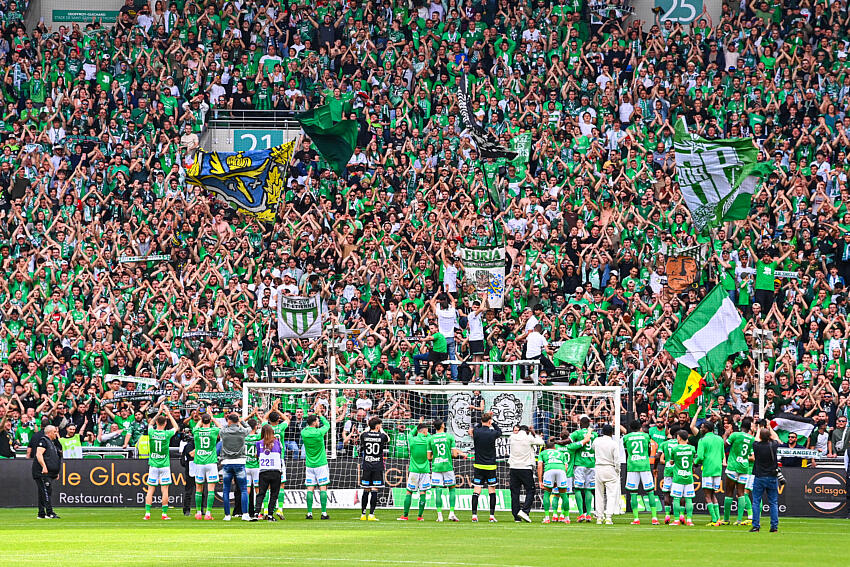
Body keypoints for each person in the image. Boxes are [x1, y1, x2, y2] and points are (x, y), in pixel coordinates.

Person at [540, 431, 591, 524]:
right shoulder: (571, 447)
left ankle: (554, 515)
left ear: (560, 436)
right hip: (568, 473)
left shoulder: (556, 447)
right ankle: (563, 515)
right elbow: (584, 442)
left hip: (554, 470)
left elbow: (549, 445)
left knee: (555, 495)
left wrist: (553, 440)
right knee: (565, 495)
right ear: (569, 437)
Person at [428, 418, 467, 522]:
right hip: (447, 466)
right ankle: (451, 513)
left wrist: (437, 457)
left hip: (436, 466)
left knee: (438, 490)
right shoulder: (449, 437)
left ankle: (440, 516)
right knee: (452, 489)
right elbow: (454, 454)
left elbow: (429, 457)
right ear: (442, 426)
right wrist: (448, 455)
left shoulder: (431, 439)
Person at [143, 408, 178, 520]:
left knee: (150, 490)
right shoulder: (167, 433)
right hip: (164, 465)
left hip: (153, 465)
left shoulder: (151, 432)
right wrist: (169, 414)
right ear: (165, 423)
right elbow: (177, 427)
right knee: (165, 490)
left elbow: (150, 423)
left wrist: (158, 412)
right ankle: (164, 514)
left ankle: (147, 514)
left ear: (157, 422)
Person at [623, 420, 659, 525]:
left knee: (633, 493)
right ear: (640, 428)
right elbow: (649, 451)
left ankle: (636, 519)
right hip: (644, 465)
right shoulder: (646, 436)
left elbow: (627, 452)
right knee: (650, 491)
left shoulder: (626, 437)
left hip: (632, 466)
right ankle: (654, 518)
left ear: (630, 428)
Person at [219, 412, 252, 522]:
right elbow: (249, 427)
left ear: (228, 421)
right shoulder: (242, 431)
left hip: (227, 462)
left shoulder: (223, 431)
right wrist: (241, 420)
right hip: (239, 461)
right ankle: (245, 514)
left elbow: (221, 427)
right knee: (243, 489)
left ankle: (227, 515)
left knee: (226, 490)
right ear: (237, 421)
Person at [723, 417, 755, 526]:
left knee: (729, 492)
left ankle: (726, 519)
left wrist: (726, 434)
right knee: (741, 493)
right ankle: (739, 520)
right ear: (749, 427)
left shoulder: (735, 435)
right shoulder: (751, 439)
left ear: (741, 426)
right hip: (744, 467)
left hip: (733, 466)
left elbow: (724, 445)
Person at [508, 424, 543, 522]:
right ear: (527, 431)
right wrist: (533, 433)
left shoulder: (512, 437)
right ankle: (525, 511)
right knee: (531, 490)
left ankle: (516, 516)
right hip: (525, 468)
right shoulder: (529, 438)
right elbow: (541, 442)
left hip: (513, 468)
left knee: (515, 492)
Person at [471, 411, 502, 522]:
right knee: (492, 491)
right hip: (490, 466)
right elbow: (500, 431)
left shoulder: (476, 432)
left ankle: (474, 515)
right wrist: (492, 422)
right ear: (490, 421)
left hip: (478, 466)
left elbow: (478, 426)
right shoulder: (492, 433)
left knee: (476, 491)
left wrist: (483, 421)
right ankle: (491, 516)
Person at [397, 419, 431, 521]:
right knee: (423, 492)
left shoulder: (412, 439)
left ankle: (405, 515)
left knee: (409, 492)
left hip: (414, 470)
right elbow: (428, 435)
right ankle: (420, 516)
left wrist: (418, 425)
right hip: (425, 470)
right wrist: (425, 430)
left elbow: (411, 433)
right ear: (425, 432)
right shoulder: (428, 440)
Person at [301, 406, 331, 519]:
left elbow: (306, 427)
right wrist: (320, 415)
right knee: (323, 487)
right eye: (317, 420)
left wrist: (313, 415)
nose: (318, 422)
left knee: (310, 488)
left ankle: (309, 513)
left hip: (309, 465)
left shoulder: (304, 433)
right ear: (314, 422)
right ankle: (323, 513)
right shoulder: (319, 433)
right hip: (321, 464)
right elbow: (328, 425)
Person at [749, 425, 781, 533]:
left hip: (759, 476)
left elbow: (756, 439)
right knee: (773, 502)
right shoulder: (773, 445)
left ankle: (756, 526)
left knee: (756, 501)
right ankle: (774, 526)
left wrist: (759, 428)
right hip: (771, 476)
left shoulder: (757, 446)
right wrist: (770, 427)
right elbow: (776, 438)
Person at [262, 405, 291, 520]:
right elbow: (287, 420)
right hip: (280, 458)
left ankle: (265, 510)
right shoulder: (281, 427)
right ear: (278, 419)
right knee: (281, 485)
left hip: (268, 458)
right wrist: (277, 409)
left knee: (267, 486)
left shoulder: (266, 427)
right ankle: (280, 509)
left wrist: (271, 410)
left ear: (270, 420)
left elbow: (264, 418)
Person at [696, 420, 726, 526]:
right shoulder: (720, 439)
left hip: (708, 469)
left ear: (707, 429)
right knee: (713, 493)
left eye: (702, 427)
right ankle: (718, 518)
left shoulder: (702, 440)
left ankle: (714, 519)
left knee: (707, 495)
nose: (701, 429)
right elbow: (723, 455)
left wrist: (695, 463)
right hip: (718, 469)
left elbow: (700, 457)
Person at [359, 416, 389, 521]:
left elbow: (361, 435)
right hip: (377, 466)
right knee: (374, 490)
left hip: (367, 465)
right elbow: (388, 438)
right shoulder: (381, 436)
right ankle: (371, 514)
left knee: (366, 490)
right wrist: (380, 430)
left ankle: (363, 514)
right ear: (377, 426)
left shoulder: (364, 435)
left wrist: (369, 427)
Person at [192, 412, 220, 520]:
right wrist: (212, 417)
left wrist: (202, 419)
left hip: (199, 462)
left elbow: (197, 426)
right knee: (211, 489)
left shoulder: (197, 431)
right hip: (211, 462)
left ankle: (199, 512)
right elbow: (221, 427)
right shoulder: (213, 430)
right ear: (210, 421)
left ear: (202, 421)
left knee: (199, 489)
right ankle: (208, 513)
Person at [592, 423, 621, 525]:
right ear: (612, 433)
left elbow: (593, 449)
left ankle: (599, 517)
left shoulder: (596, 441)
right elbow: (617, 460)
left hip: (599, 467)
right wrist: (617, 471)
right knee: (611, 494)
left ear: (602, 432)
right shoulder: (614, 444)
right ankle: (608, 517)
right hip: (610, 468)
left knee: (599, 494)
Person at [570, 416, 597, 522]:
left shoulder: (577, 433)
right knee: (588, 489)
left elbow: (570, 442)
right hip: (591, 464)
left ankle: (581, 514)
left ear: (580, 424)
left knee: (577, 488)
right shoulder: (594, 435)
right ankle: (589, 514)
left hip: (580, 464)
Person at [255, 424, 284, 522]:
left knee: (261, 493)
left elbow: (258, 455)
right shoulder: (277, 442)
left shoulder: (258, 443)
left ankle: (256, 513)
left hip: (264, 471)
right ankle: (270, 515)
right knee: (274, 494)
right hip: (275, 470)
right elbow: (280, 453)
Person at [668, 429, 697, 526]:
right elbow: (694, 461)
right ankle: (689, 520)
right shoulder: (692, 448)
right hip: (688, 477)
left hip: (678, 477)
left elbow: (671, 462)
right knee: (688, 499)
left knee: (676, 498)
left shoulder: (675, 449)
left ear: (679, 438)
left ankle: (676, 520)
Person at [32, 425, 62, 519]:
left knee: (43, 492)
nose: (56, 434)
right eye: (54, 432)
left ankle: (41, 513)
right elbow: (39, 454)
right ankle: (49, 512)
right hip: (42, 472)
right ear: (49, 432)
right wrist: (44, 466)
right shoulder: (43, 441)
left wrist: (56, 472)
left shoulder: (52, 443)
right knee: (46, 491)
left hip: (49, 472)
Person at [244, 419, 261, 518]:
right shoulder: (258, 437)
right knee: (258, 490)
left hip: (246, 466)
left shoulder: (244, 437)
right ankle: (257, 511)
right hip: (256, 467)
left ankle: (245, 512)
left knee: (246, 490)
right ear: (256, 427)